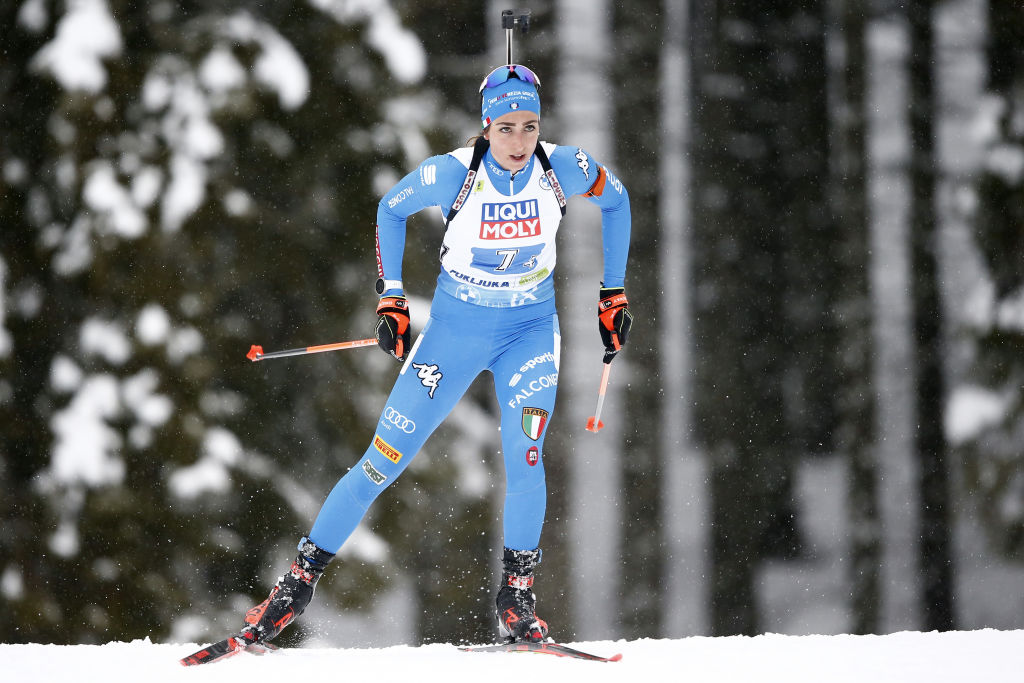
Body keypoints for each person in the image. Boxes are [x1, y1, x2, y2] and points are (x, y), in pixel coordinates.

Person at [238, 64, 632, 646]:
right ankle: (295, 585)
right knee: (382, 460)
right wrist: (390, 297)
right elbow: (390, 210)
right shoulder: (453, 173)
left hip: (528, 333)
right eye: (506, 128)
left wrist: (612, 291)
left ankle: (517, 598)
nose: (520, 142)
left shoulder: (563, 167)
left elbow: (617, 202)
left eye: (530, 126)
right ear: (485, 125)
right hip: (453, 334)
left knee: (525, 456)